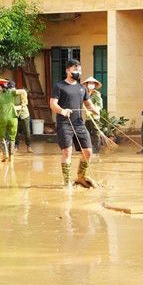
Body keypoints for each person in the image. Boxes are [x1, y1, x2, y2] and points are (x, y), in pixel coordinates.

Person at [50, 59, 101, 188]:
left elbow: (88, 104)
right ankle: (67, 182)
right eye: (76, 69)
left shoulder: (82, 88)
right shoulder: (59, 86)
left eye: (80, 70)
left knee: (88, 152)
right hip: (64, 124)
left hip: (79, 124)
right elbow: (53, 104)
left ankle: (80, 177)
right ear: (68, 70)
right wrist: (62, 111)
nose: (78, 72)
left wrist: (94, 110)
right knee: (67, 152)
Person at [0, 78, 19, 163]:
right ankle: (11, 157)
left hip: (3, 118)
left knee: (1, 137)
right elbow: (23, 92)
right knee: (12, 138)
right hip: (13, 118)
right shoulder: (11, 92)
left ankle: (5, 155)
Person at [82, 76, 104, 158]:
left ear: (95, 85)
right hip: (88, 117)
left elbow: (100, 105)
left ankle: (96, 150)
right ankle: (88, 149)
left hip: (95, 117)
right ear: (87, 85)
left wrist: (94, 110)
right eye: (89, 83)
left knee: (95, 134)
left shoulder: (96, 94)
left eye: (92, 83)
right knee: (86, 133)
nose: (91, 85)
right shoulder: (86, 94)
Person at [14, 83, 34, 154]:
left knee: (27, 130)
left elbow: (24, 103)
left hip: (24, 114)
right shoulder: (9, 94)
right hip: (15, 114)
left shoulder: (21, 93)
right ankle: (16, 146)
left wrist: (20, 106)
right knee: (15, 130)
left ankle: (29, 146)